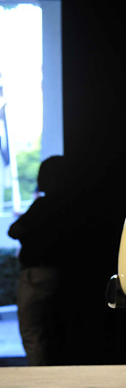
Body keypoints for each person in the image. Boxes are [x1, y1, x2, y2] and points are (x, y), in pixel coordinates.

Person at [7, 156, 70, 365]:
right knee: (50, 328)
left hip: (36, 273)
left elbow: (14, 230)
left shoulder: (44, 205)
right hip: (56, 272)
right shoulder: (67, 205)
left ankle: (40, 375)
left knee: (31, 329)